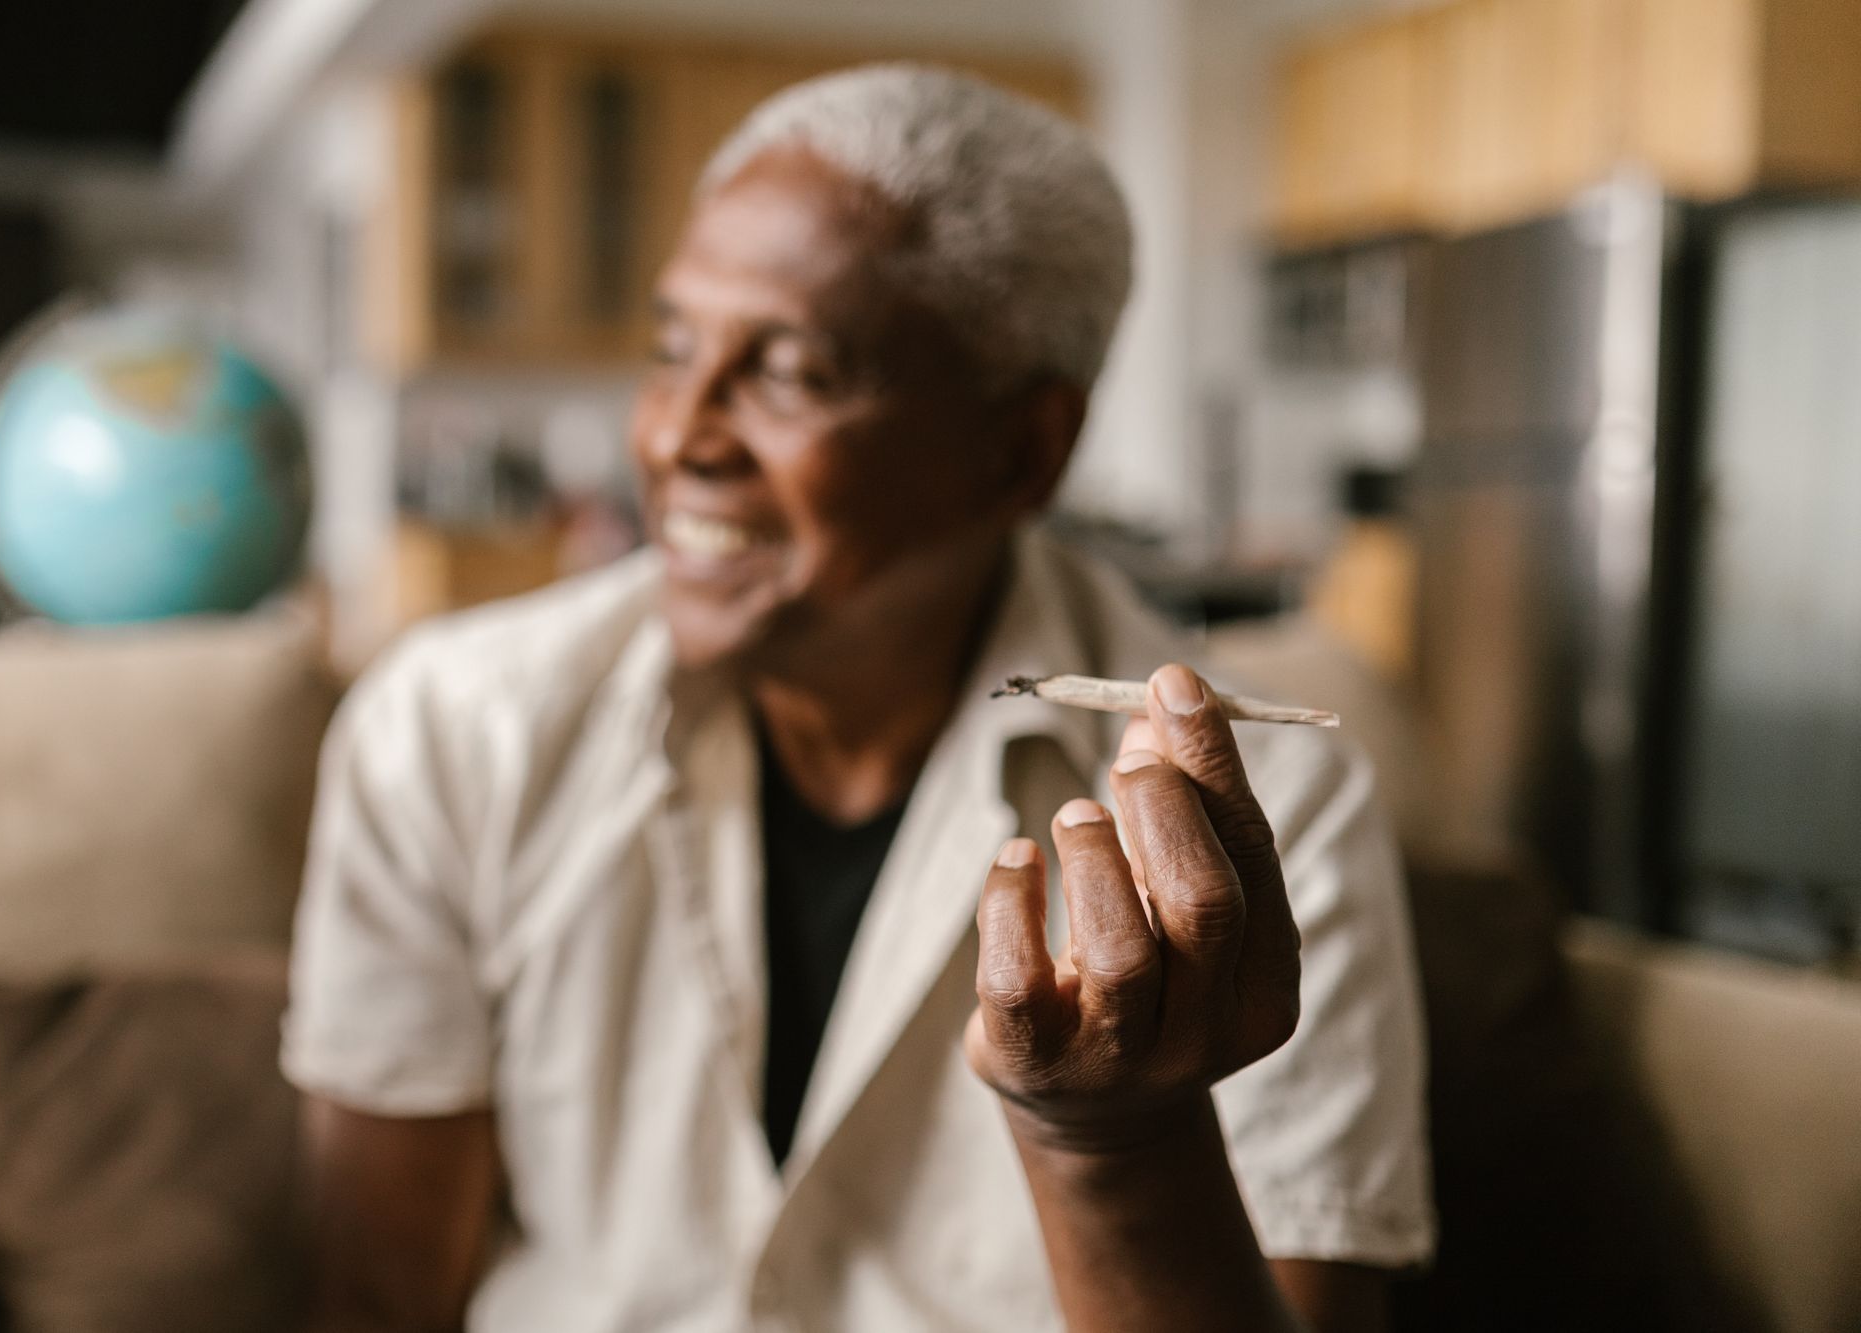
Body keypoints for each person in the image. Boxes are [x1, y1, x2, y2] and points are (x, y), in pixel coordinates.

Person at [286, 64, 1432, 1332]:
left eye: (789, 373)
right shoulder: (451, 728)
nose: (674, 437)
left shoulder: (1266, 826)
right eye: (674, 349)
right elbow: (377, 1295)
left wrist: (1113, 1142)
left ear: (1022, 449)